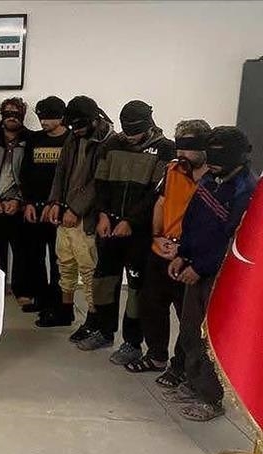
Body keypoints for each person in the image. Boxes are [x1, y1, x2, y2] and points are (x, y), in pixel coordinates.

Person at [162, 126, 257, 422]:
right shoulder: (209, 180)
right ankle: (193, 382)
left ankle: (210, 398)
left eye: (220, 158)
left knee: (210, 336)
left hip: (219, 276)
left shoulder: (246, 191)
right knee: (190, 330)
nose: (213, 163)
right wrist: (183, 254)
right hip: (194, 265)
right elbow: (192, 220)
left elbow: (232, 240)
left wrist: (199, 267)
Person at [78, 101, 175, 359]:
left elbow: (155, 194)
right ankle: (103, 331)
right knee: (103, 282)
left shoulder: (165, 149)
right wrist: (102, 214)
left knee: (135, 289)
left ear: (149, 124)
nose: (130, 137)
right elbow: (100, 183)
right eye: (127, 131)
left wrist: (131, 221)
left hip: (139, 233)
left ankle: (132, 342)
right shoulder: (112, 144)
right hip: (108, 228)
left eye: (136, 132)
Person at [124, 120, 210, 378]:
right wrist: (158, 236)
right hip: (162, 248)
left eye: (188, 147)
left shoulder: (215, 180)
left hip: (191, 256)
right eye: (179, 146)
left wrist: (185, 249)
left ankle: (181, 367)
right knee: (151, 304)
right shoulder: (173, 169)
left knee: (189, 317)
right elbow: (161, 203)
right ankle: (156, 355)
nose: (181, 153)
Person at [40, 96, 117, 335]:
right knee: (65, 263)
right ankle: (65, 310)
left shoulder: (108, 142)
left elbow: (98, 183)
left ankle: (93, 319)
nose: (77, 130)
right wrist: (55, 202)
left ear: (94, 119)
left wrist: (75, 210)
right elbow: (61, 171)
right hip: (65, 212)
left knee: (88, 269)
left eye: (81, 126)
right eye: (73, 126)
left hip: (87, 218)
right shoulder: (73, 137)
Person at [22, 96, 69, 317]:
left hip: (59, 210)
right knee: (35, 256)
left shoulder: (71, 141)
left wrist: (58, 204)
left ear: (60, 117)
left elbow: (71, 178)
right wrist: (28, 203)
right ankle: (40, 298)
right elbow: (26, 172)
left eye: (48, 118)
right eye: (40, 117)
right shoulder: (35, 139)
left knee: (59, 258)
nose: (43, 122)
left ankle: (58, 303)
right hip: (36, 207)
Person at [0, 97, 31, 302]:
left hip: (18, 205)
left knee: (22, 250)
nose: (12, 117)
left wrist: (19, 200)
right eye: (8, 113)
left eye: (16, 113)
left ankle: (21, 290)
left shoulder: (30, 140)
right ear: (2, 115)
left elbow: (32, 174)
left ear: (23, 116)